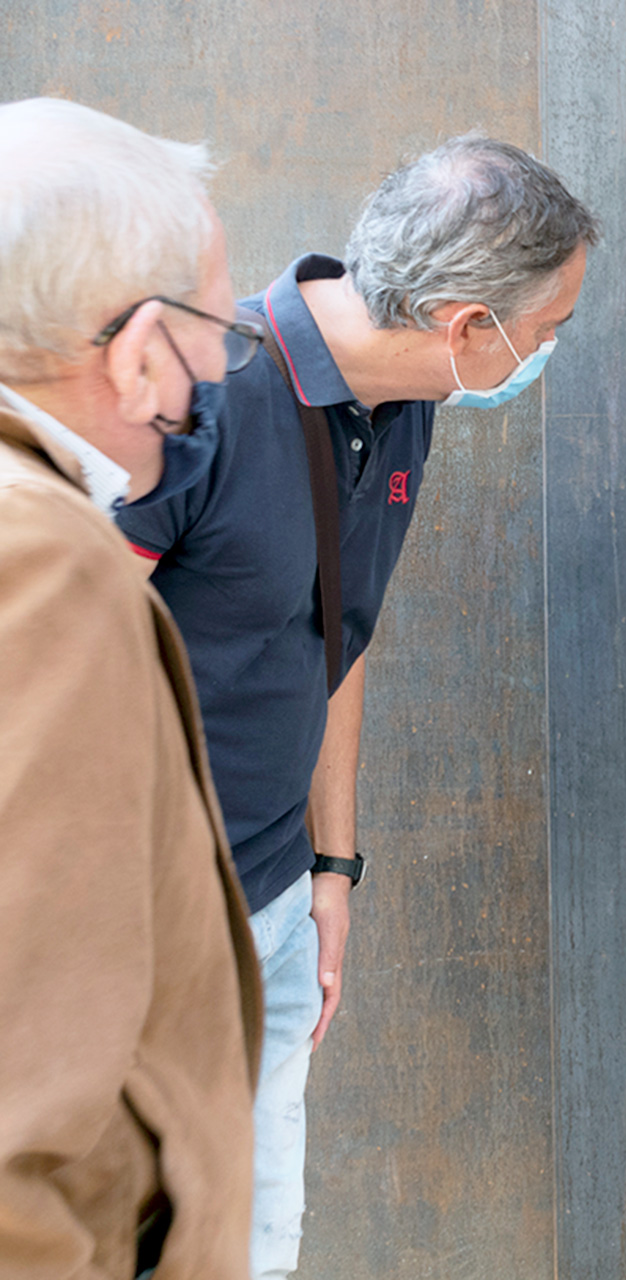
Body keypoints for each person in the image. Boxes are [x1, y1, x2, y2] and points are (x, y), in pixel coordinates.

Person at [115, 135, 598, 1278]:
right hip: (162, 919)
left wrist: (336, 868)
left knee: (261, 1228)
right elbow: (51, 665)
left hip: (281, 890)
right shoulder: (201, 396)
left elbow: (340, 631)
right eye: (552, 328)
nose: (553, 350)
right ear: (467, 323)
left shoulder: (404, 402)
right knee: (153, 1234)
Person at [0, 97, 263, 1278]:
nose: (219, 365)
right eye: (214, 323)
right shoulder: (45, 558)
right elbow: (23, 1091)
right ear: (139, 344)